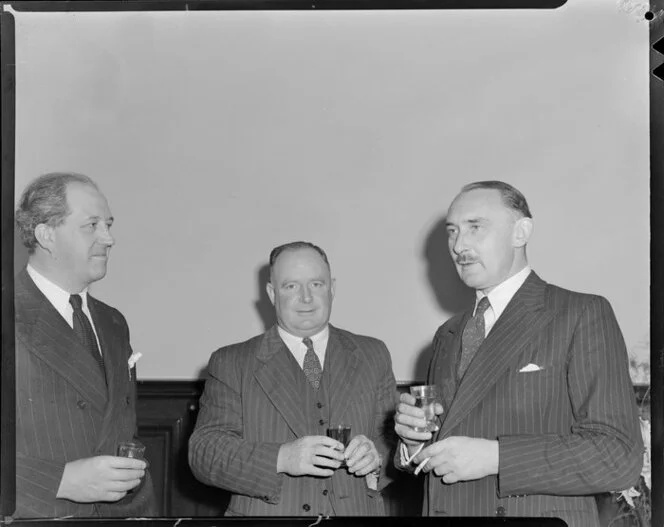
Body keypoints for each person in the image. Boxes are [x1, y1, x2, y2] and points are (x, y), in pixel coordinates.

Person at [394, 181, 643, 527]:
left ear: (521, 232)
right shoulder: (447, 334)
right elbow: (446, 451)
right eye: (452, 232)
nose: (459, 245)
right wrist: (412, 443)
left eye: (475, 227)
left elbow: (618, 457)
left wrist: (496, 457)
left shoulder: (579, 313)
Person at [189, 241, 398, 516]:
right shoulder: (231, 362)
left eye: (316, 284)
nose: (306, 298)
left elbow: (395, 448)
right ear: (272, 293)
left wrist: (377, 459)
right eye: (291, 286)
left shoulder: (374, 354)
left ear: (332, 288)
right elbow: (204, 455)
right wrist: (282, 458)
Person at [14, 173, 156, 518]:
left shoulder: (113, 322)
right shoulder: (9, 314)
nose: (109, 238)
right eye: (91, 225)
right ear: (46, 235)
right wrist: (58, 481)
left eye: (107, 224)